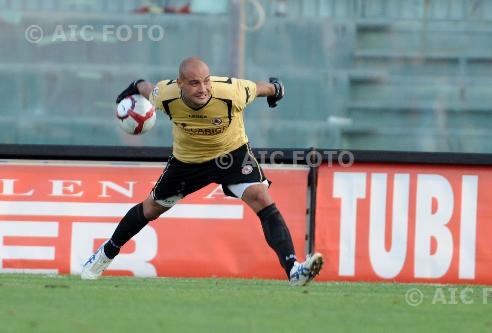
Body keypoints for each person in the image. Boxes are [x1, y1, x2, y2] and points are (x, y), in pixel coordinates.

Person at [81, 57, 323, 286]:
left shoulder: (232, 92)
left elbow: (260, 88)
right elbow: (147, 89)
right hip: (187, 162)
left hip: (231, 155)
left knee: (261, 196)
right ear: (180, 84)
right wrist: (135, 86)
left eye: (206, 81)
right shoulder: (166, 95)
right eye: (195, 83)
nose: (203, 88)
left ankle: (293, 269)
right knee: (151, 208)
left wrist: (276, 88)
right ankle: (105, 255)